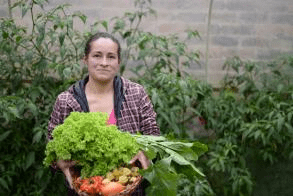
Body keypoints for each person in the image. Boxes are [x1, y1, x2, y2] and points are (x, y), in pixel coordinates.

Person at [47, 32, 160, 196]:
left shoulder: (136, 94)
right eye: (97, 56)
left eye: (111, 57)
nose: (104, 63)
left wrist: (145, 152)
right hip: (87, 188)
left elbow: (154, 137)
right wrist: (59, 162)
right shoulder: (67, 101)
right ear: (85, 59)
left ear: (118, 62)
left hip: (128, 189)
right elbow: (52, 146)